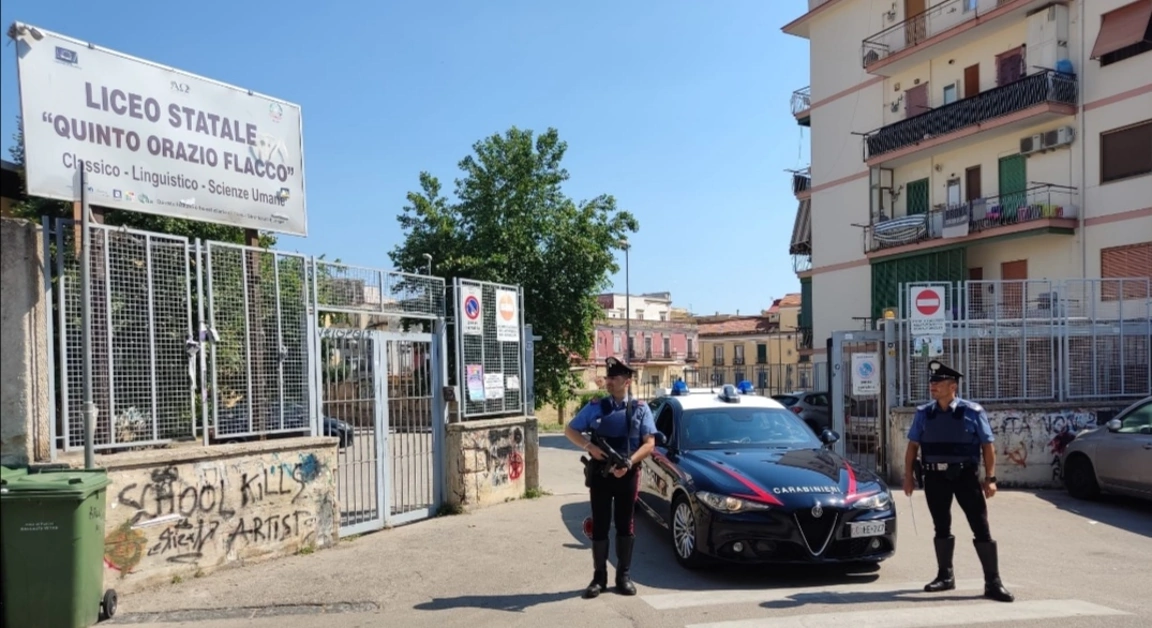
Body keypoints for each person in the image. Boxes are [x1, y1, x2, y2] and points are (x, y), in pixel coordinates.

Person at [903, 360, 1014, 603]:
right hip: (934, 476)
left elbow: (988, 446)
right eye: (931, 382)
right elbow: (913, 446)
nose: (933, 386)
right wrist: (908, 476)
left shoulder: (972, 412)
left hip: (965, 476)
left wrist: (991, 478)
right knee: (941, 526)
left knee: (980, 526)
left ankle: (993, 582)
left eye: (938, 382)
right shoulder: (924, 414)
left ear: (953, 386)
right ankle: (945, 576)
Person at [565, 356, 657, 599]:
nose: (608, 382)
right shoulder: (596, 406)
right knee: (601, 524)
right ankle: (599, 578)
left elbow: (649, 444)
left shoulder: (640, 409)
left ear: (627, 381)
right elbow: (570, 430)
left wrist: (629, 462)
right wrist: (589, 447)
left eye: (614, 378)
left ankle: (623, 576)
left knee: (625, 524)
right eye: (607, 377)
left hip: (628, 475)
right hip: (600, 475)